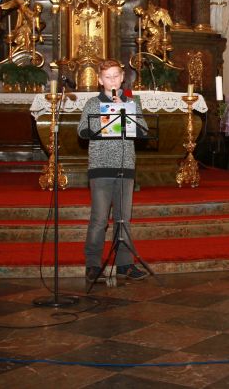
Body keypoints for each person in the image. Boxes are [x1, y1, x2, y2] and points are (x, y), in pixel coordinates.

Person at [78, 59, 147, 289]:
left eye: (116, 76)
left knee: (123, 218)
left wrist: (124, 109)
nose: (113, 80)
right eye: (108, 77)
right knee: (99, 219)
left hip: (126, 165)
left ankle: (125, 264)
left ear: (123, 77)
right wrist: (104, 119)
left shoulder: (132, 102)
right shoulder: (93, 103)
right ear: (100, 80)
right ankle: (93, 264)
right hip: (100, 167)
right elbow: (82, 130)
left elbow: (143, 130)